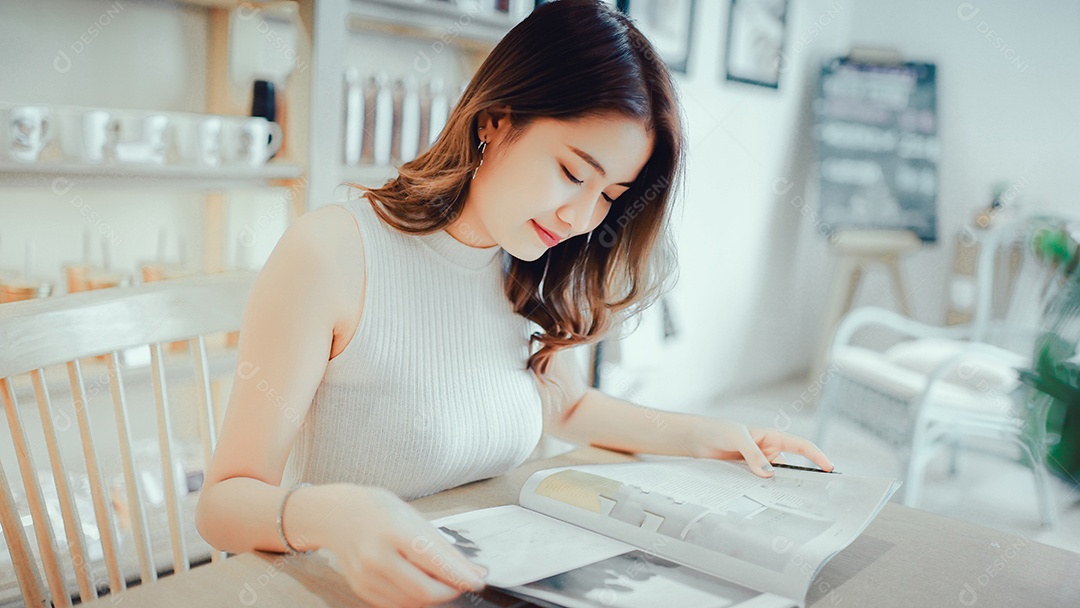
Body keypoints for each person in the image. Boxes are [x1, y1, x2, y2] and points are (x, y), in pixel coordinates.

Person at [195, 1, 833, 607]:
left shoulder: (528, 261)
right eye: (573, 173)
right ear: (494, 121)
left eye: (611, 195)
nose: (582, 217)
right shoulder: (332, 253)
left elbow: (569, 404)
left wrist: (707, 436)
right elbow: (222, 505)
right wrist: (334, 512)